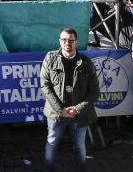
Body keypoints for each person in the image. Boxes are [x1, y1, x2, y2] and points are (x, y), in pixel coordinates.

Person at [40, 28, 99, 172]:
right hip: (57, 113)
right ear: (60, 41)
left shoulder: (86, 63)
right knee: (52, 142)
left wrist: (77, 108)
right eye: (64, 40)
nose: (67, 43)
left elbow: (95, 91)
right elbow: (45, 86)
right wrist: (61, 109)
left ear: (76, 43)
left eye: (71, 40)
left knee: (79, 146)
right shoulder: (50, 58)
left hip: (79, 114)